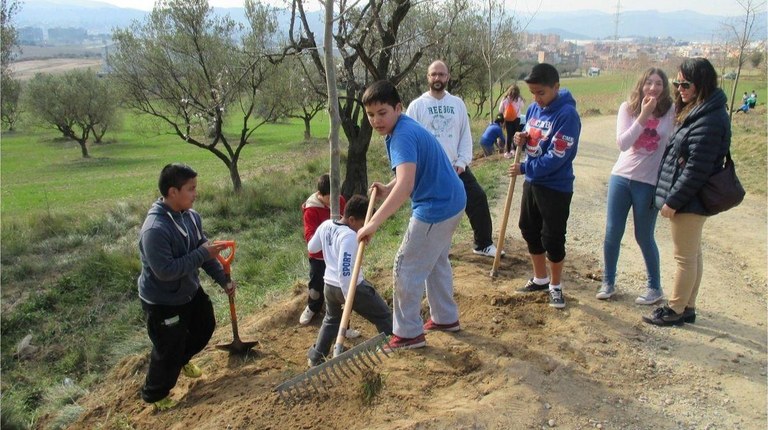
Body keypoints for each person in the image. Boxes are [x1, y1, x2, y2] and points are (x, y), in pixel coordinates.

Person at [358, 79, 466, 351]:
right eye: (370, 114)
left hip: (436, 207)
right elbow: (410, 173)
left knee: (405, 265)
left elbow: (406, 186)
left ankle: (408, 334)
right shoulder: (403, 128)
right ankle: (445, 318)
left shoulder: (402, 136)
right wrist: (388, 187)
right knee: (435, 261)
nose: (376, 120)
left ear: (398, 108)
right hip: (452, 199)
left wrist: (373, 223)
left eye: (382, 113)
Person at [137, 163, 237, 411]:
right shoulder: (155, 230)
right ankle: (155, 394)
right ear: (173, 192)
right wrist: (202, 253)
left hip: (189, 291)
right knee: (168, 348)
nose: (195, 194)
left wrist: (222, 279)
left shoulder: (191, 216)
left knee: (205, 325)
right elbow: (165, 271)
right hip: (163, 301)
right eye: (191, 189)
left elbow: (205, 252)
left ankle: (181, 359)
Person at [644, 57, 731, 326]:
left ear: (701, 84)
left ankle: (675, 309)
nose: (679, 89)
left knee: (684, 258)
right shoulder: (701, 112)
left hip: (690, 200)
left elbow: (696, 169)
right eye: (677, 83)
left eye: (686, 84)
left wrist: (673, 201)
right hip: (691, 198)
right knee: (693, 254)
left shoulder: (709, 119)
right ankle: (688, 306)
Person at [406, 60, 503, 258]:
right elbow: (409, 140)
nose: (437, 78)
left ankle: (483, 244)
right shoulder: (417, 106)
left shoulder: (457, 103)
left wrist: (462, 162)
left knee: (478, 198)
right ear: (428, 77)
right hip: (429, 171)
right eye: (433, 74)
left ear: (448, 77)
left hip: (455, 168)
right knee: (433, 211)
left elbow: (465, 135)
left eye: (441, 74)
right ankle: (429, 249)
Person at [597, 67, 675, 305]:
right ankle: (608, 282)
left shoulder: (671, 111)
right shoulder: (628, 108)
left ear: (664, 87)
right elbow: (623, 143)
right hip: (621, 177)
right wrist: (643, 115)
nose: (653, 87)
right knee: (612, 232)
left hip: (649, 182)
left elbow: (673, 144)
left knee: (644, 235)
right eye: (649, 82)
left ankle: (654, 287)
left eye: (658, 83)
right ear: (641, 85)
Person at [509, 63, 581, 309]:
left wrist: (525, 168)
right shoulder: (533, 109)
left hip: (555, 187)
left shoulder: (567, 115)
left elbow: (557, 157)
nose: (536, 99)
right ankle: (540, 278)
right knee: (528, 228)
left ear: (556, 87)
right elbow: (530, 136)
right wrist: (521, 137)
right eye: (533, 93)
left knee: (552, 237)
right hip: (533, 183)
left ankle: (556, 286)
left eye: (541, 93)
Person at [306, 194, 393, 366]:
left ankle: (316, 357)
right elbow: (345, 272)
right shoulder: (349, 237)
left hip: (329, 287)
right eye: (361, 225)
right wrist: (348, 298)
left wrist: (329, 245)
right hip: (351, 287)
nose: (363, 229)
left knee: (331, 320)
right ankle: (394, 344)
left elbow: (312, 247)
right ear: (352, 220)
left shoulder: (327, 225)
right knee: (383, 314)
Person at [300, 174, 346, 326]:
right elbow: (310, 237)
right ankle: (313, 307)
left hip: (337, 254)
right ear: (320, 194)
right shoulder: (311, 210)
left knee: (338, 284)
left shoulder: (340, 200)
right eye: (329, 198)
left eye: (336, 196)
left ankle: (339, 315)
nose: (334, 201)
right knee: (316, 284)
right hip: (319, 256)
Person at [499, 83, 526, 158]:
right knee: (515, 134)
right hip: (517, 118)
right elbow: (522, 106)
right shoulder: (519, 98)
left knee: (509, 135)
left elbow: (500, 109)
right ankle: (514, 150)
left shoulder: (505, 99)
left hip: (507, 119)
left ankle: (507, 152)